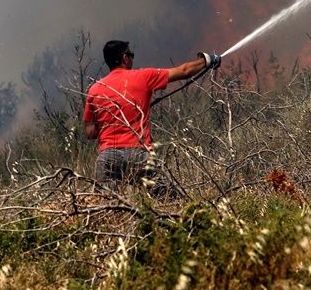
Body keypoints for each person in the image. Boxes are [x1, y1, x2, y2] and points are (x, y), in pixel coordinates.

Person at [83, 40, 220, 194]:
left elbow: (90, 133)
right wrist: (206, 60)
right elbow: (184, 71)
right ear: (125, 59)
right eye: (131, 55)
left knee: (106, 209)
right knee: (168, 200)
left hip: (107, 158)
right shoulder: (143, 76)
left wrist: (111, 120)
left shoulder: (95, 89)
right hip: (138, 154)